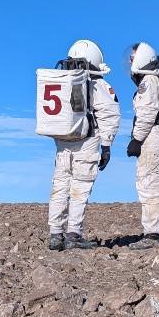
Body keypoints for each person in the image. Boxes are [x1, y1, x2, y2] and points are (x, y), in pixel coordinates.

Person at [48, 39, 121, 250]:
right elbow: (109, 114)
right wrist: (106, 145)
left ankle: (55, 234)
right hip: (87, 143)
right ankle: (73, 234)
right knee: (79, 188)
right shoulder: (99, 85)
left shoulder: (60, 82)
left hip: (63, 143)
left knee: (59, 188)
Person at [126, 41, 159, 249]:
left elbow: (147, 113)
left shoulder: (149, 81)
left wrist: (136, 139)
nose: (130, 61)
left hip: (153, 139)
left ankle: (152, 235)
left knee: (150, 184)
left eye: (133, 57)